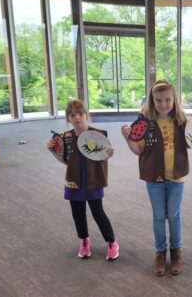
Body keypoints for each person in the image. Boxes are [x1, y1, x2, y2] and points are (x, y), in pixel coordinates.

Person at [121, 80, 192, 276]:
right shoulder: (143, 123)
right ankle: (160, 251)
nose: (163, 104)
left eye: (167, 100)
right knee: (158, 216)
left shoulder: (181, 121)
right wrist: (128, 138)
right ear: (151, 101)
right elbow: (138, 150)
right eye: (159, 101)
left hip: (176, 177)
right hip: (154, 177)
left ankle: (176, 251)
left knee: (173, 215)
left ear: (174, 100)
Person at [46, 99, 119, 261]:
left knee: (98, 212)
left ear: (86, 115)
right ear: (68, 119)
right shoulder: (66, 137)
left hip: (94, 179)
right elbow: (66, 160)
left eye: (80, 114)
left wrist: (109, 154)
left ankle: (112, 242)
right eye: (72, 115)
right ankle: (84, 241)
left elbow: (102, 155)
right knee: (78, 214)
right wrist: (52, 150)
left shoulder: (98, 135)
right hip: (74, 181)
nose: (77, 117)